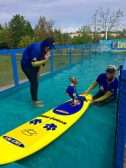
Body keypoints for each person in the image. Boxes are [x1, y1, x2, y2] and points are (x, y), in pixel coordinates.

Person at [21, 37, 55, 107]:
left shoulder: (44, 48)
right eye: (49, 48)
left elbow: (39, 61)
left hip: (33, 65)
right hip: (26, 65)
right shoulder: (36, 49)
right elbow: (33, 63)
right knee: (34, 82)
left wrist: (38, 71)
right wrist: (45, 60)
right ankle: (34, 101)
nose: (50, 49)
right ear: (46, 46)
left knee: (36, 81)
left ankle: (35, 99)